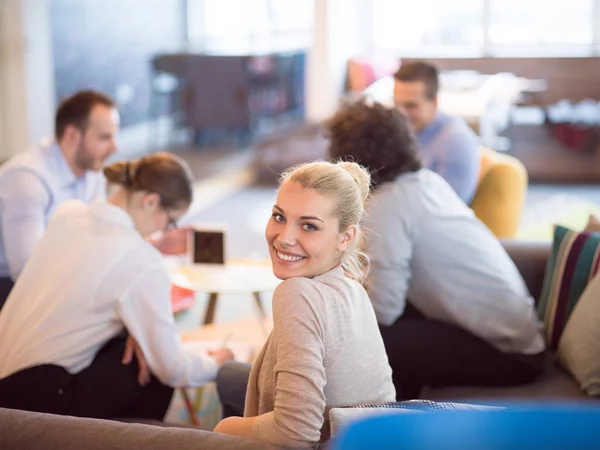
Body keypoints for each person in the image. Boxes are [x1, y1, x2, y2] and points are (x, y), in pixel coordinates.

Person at [327, 99, 545, 401]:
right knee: (374, 332)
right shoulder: (426, 183)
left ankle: (377, 418)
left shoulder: (387, 206)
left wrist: (334, 314)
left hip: (509, 355)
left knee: (362, 339)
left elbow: (385, 309)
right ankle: (398, 407)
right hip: (521, 339)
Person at [0, 153, 234, 421]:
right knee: (150, 370)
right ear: (150, 202)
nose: (167, 230)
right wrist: (217, 363)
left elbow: (94, 279)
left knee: (134, 344)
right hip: (36, 400)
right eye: (170, 222)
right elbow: (172, 368)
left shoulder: (68, 214)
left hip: (6, 379)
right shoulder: (142, 261)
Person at [213, 161, 395, 447]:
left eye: (309, 226)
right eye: (279, 217)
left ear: (345, 238)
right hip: (370, 438)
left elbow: (295, 432)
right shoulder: (354, 287)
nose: (284, 239)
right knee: (228, 375)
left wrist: (223, 429)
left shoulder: (296, 293)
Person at [0, 90, 119, 309]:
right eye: (104, 137)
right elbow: (26, 271)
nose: (115, 147)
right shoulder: (26, 177)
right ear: (72, 136)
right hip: (10, 284)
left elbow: (100, 232)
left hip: (60, 271)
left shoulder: (91, 170)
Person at [393, 61, 480, 204]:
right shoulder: (403, 131)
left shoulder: (455, 143)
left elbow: (447, 211)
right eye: (397, 103)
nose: (401, 113)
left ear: (434, 102)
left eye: (411, 106)